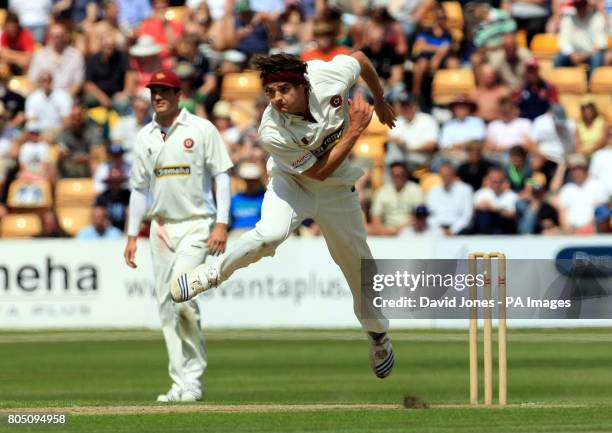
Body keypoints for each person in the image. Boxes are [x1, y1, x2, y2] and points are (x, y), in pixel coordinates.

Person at [171, 53, 398, 379]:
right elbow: (317, 172)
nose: (276, 99)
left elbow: (361, 58)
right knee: (270, 234)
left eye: (283, 90)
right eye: (270, 92)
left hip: (337, 191)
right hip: (293, 183)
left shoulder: (329, 77)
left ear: (303, 84)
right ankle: (211, 274)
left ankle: (378, 337)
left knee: (361, 269)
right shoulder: (271, 129)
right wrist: (355, 130)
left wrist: (379, 98)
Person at [123, 70, 233, 402]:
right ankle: (180, 381)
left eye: (165, 90)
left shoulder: (201, 129)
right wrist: (131, 235)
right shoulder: (145, 136)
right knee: (166, 306)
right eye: (154, 91)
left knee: (183, 296)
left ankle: (194, 378)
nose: (158, 96)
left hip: (198, 223)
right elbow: (139, 189)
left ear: (178, 95)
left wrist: (222, 223)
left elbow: (223, 176)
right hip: (161, 227)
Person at [368, 161, 424, 236]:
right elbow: (376, 217)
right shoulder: (382, 191)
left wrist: (398, 229)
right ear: (391, 176)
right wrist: (382, 230)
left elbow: (419, 217)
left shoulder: (415, 190)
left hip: (409, 230)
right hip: (386, 229)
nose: (398, 177)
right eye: (395, 175)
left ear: (406, 175)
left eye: (400, 175)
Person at [426, 161, 473, 236]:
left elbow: (467, 216)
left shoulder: (465, 189)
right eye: (443, 176)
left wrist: (453, 230)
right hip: (437, 229)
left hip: (460, 229)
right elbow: (429, 216)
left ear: (454, 175)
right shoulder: (433, 192)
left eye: (448, 175)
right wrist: (440, 230)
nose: (446, 178)